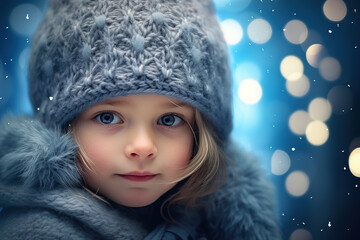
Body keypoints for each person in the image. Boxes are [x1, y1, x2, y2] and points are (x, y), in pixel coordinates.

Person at [0, 0, 281, 239]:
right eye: (108, 117)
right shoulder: (36, 233)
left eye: (170, 119)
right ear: (62, 128)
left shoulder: (211, 222)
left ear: (200, 131)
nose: (143, 146)